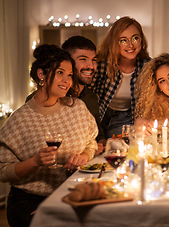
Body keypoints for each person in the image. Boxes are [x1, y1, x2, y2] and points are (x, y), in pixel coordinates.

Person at [0, 44, 98, 227]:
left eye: (69, 75)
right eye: (60, 72)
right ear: (41, 75)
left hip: (71, 195)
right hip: (29, 200)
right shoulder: (20, 119)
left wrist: (83, 157)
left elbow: (91, 143)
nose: (67, 80)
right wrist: (35, 162)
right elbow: (3, 171)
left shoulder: (77, 108)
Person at [89, 16, 151, 138]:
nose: (130, 45)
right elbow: (88, 95)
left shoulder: (148, 67)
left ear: (141, 40)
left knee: (119, 147)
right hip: (96, 115)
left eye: (135, 38)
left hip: (125, 117)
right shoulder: (100, 64)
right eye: (123, 40)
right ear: (114, 43)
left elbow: (152, 100)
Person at [61, 36, 106, 155]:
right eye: (83, 59)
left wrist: (104, 143)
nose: (91, 66)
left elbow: (97, 134)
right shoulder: (54, 96)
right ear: (67, 61)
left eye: (93, 60)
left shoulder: (91, 97)